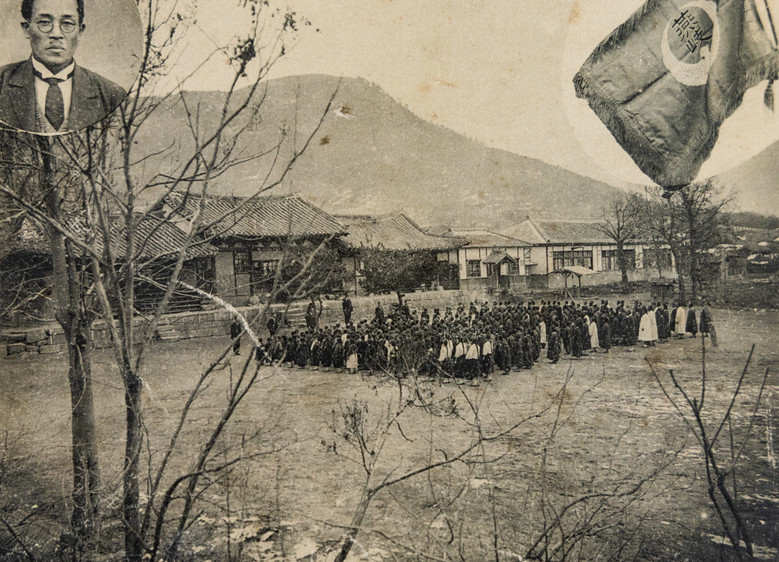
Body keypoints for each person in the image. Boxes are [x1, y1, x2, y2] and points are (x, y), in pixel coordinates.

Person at [0, 0, 127, 134]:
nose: (56, 34)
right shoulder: (2, 82)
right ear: (27, 29)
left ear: (80, 31)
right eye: (44, 22)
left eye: (67, 24)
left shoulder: (111, 95)